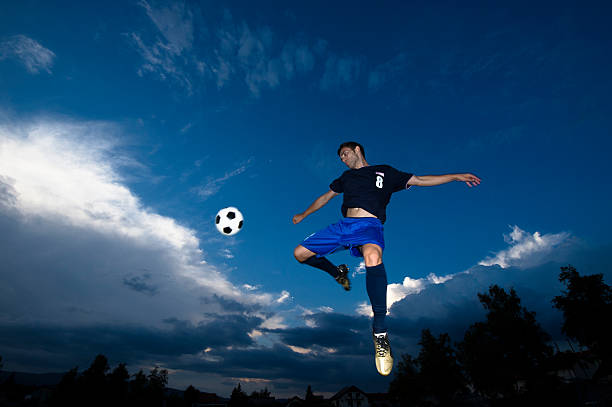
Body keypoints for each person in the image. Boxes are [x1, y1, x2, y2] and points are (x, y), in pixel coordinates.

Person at [292, 141, 481, 376]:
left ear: (357, 150)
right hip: (343, 227)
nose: (343, 158)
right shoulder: (345, 178)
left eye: (345, 154)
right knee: (300, 254)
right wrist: (304, 213)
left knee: (372, 256)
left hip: (369, 226)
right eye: (340, 156)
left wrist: (455, 176)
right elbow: (325, 197)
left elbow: (420, 180)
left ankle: (380, 332)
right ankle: (337, 273)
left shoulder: (385, 172)